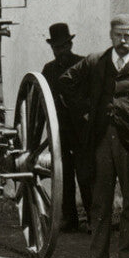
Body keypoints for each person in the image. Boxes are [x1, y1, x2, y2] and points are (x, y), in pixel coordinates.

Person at [60, 14, 129, 258]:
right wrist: (85, 109)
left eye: (128, 35)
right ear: (110, 36)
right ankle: (97, 256)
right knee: (100, 201)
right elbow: (66, 81)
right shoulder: (95, 62)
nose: (123, 40)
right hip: (102, 139)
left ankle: (127, 257)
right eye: (118, 35)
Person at [40, 22, 92, 233]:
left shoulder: (83, 65)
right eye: (56, 48)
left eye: (63, 46)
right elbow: (43, 101)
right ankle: (70, 219)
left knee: (86, 175)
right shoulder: (48, 70)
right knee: (63, 176)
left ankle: (92, 218)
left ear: (70, 44)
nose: (60, 51)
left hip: (82, 131)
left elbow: (92, 96)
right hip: (59, 132)